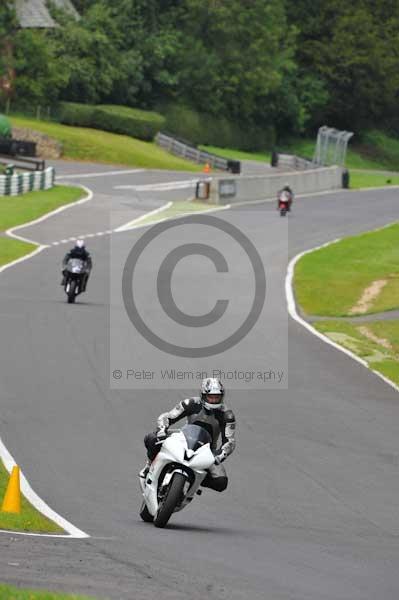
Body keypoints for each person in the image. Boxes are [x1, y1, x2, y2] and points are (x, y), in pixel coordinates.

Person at [140, 378, 236, 492]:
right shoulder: (190, 403)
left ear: (222, 396)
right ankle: (149, 466)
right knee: (151, 439)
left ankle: (194, 480)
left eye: (217, 397)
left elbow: (230, 442)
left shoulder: (227, 415)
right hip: (183, 438)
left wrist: (220, 455)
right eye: (211, 397)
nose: (214, 400)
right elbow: (167, 417)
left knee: (221, 482)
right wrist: (162, 430)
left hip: (206, 450)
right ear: (203, 395)